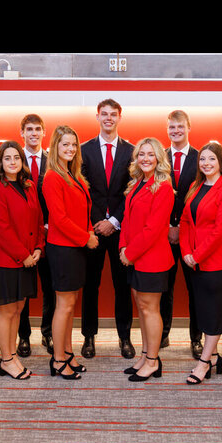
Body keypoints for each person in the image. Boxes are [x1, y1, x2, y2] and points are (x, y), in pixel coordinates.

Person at [179, 142, 222, 384]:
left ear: (220, 162)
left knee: (214, 312)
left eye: (211, 159)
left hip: (217, 262)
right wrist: (186, 252)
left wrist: (198, 255)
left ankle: (204, 362)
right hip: (194, 260)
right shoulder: (196, 186)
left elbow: (220, 230)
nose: (206, 163)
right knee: (204, 311)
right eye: (202, 159)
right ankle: (214, 356)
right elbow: (185, 221)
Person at [41, 125, 99, 379]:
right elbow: (60, 219)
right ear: (55, 147)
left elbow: (82, 212)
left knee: (70, 303)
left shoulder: (73, 174)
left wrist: (87, 236)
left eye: (74, 145)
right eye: (65, 144)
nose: (71, 149)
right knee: (63, 306)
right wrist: (86, 238)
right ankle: (57, 359)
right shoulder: (53, 176)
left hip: (76, 248)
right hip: (64, 248)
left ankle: (67, 352)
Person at [80, 99, 135, 359]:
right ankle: (88, 337)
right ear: (97, 116)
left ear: (119, 117)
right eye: (104, 114)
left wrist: (113, 221)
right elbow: (83, 191)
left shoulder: (133, 151)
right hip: (91, 230)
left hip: (120, 230)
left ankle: (124, 337)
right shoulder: (83, 150)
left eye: (113, 114)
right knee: (90, 285)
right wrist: (97, 221)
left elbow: (132, 192)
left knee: (122, 286)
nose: (109, 118)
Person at [0, 141, 45, 380]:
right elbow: (1, 229)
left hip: (30, 258)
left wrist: (39, 248)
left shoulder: (29, 186)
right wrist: (24, 256)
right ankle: (6, 359)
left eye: (16, 158)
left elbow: (39, 220)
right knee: (7, 311)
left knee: (19, 309)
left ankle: (11, 355)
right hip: (8, 261)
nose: (12, 162)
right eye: (7, 158)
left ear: (22, 161)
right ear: (0, 163)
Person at [119, 138, 175, 381]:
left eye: (151, 155)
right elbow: (127, 220)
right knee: (141, 308)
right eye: (141, 154)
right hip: (134, 258)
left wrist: (129, 253)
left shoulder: (163, 187)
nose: (145, 159)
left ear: (159, 158)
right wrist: (123, 247)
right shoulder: (136, 184)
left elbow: (153, 230)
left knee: (150, 309)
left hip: (152, 259)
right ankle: (145, 355)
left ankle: (152, 361)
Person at [161, 110, 203, 358]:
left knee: (194, 290)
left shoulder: (201, 158)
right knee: (163, 288)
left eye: (180, 127)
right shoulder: (158, 157)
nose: (176, 131)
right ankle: (163, 333)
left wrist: (180, 227)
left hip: (191, 236)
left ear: (189, 127)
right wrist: (167, 225)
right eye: (172, 127)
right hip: (163, 234)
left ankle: (196, 339)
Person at [17, 114, 56, 357]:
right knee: (23, 289)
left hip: (51, 235)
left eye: (38, 129)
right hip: (24, 238)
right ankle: (23, 337)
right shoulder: (14, 159)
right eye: (29, 129)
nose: (34, 133)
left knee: (50, 288)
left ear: (44, 132)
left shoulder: (53, 160)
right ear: (22, 133)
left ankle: (48, 332)